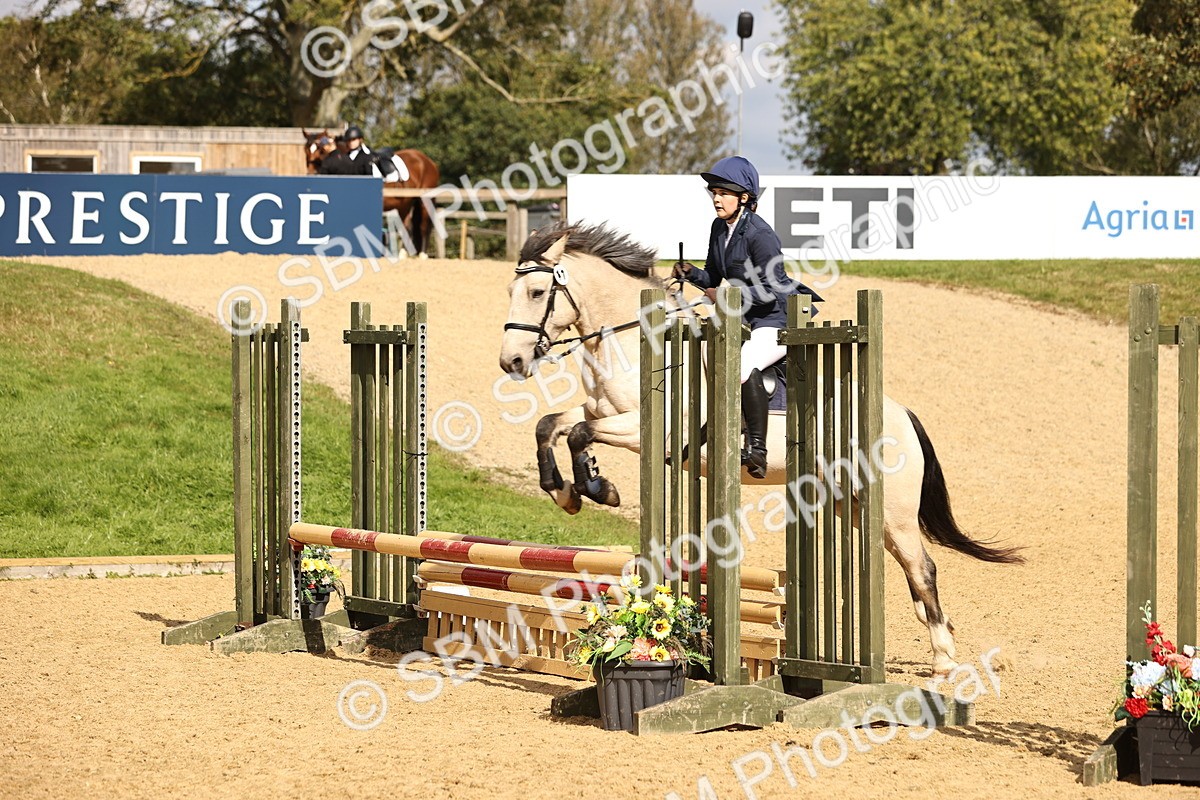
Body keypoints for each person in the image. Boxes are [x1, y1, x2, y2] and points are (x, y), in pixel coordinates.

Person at [673, 156, 823, 479]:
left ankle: (758, 450)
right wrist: (691, 274)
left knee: (742, 366)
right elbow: (713, 276)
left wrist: (730, 298)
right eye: (714, 192)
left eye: (723, 193)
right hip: (749, 318)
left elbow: (774, 287)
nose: (716, 198)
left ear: (744, 197)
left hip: (778, 319)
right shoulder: (719, 228)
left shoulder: (760, 234)